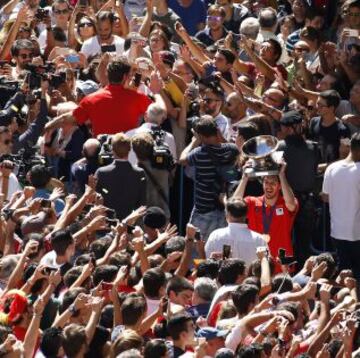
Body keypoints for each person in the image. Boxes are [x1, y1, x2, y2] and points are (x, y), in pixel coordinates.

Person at [45, 57, 153, 136]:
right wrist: (157, 89)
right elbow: (159, 113)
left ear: (107, 74)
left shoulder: (91, 99)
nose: (131, 79)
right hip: (127, 155)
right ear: (125, 77)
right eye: (130, 76)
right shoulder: (137, 98)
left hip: (101, 156)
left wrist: (47, 126)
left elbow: (68, 118)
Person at [179, 116, 239, 240]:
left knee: (196, 250)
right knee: (219, 250)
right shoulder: (231, 150)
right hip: (224, 209)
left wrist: (194, 140)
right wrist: (219, 135)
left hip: (203, 210)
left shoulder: (199, 153)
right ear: (216, 131)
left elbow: (182, 159)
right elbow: (228, 144)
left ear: (201, 136)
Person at [234, 160, 298, 267]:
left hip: (281, 261)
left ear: (280, 186)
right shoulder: (252, 201)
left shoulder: (287, 203)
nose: (269, 186)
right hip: (256, 260)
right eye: (266, 182)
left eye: (273, 183)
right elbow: (234, 205)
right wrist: (244, 178)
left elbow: (291, 204)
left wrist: (281, 175)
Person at [277, 110, 319, 267]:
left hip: (286, 202)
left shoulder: (280, 147)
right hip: (306, 201)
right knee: (303, 242)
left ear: (291, 128)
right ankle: (303, 271)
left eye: (284, 128)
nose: (282, 131)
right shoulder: (313, 147)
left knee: (285, 240)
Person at [322, 132, 360, 281]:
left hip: (337, 232)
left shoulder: (332, 168)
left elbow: (325, 197)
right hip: (357, 234)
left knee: (344, 274)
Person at [95, 132, 147, 219]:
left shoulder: (101, 172)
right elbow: (142, 203)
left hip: (107, 223)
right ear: (130, 149)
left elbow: (96, 200)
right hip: (130, 225)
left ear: (112, 150)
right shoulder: (140, 173)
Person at [205, 198, 265, 265]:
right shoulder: (259, 239)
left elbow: (207, 260)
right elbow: (266, 264)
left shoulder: (215, 236)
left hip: (221, 275)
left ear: (227, 214)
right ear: (246, 215)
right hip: (250, 275)